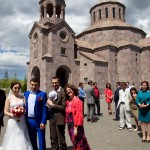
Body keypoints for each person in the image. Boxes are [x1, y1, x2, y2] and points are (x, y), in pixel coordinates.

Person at [0, 81, 33, 150]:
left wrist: (22, 112)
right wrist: (13, 114)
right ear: (11, 88)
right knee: (12, 137)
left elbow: (25, 109)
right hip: (12, 120)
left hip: (22, 120)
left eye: (18, 88)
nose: (17, 90)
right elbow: (5, 111)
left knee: (21, 136)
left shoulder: (23, 97)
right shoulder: (9, 99)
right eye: (15, 88)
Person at [65, 84, 91, 150]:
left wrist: (76, 128)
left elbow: (79, 115)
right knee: (74, 141)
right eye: (67, 91)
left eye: (70, 90)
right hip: (70, 125)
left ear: (73, 90)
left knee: (79, 142)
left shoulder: (77, 101)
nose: (69, 92)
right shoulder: (68, 101)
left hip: (76, 125)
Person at [24, 78, 47, 150]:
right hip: (29, 121)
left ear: (38, 85)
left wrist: (43, 122)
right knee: (32, 140)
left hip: (39, 122)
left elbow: (44, 109)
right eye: (32, 85)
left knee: (41, 141)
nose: (34, 87)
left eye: (35, 85)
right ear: (30, 84)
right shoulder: (26, 94)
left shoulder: (42, 94)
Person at [46, 76, 67, 150]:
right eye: (53, 83)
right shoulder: (51, 91)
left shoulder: (63, 91)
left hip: (60, 117)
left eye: (56, 83)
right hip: (52, 117)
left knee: (61, 138)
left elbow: (64, 107)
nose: (54, 84)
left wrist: (52, 105)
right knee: (53, 137)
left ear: (59, 82)